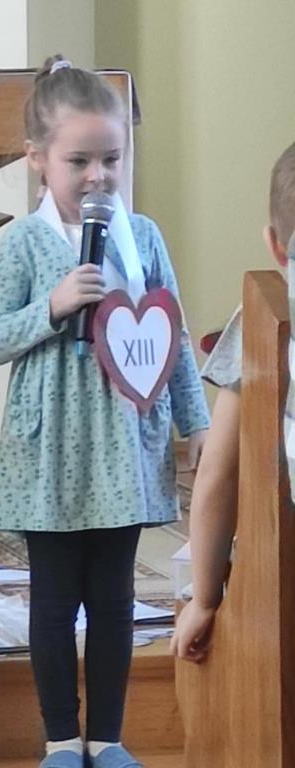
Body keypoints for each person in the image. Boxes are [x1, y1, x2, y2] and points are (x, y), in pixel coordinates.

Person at [0, 56, 209, 768]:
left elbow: (172, 338)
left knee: (113, 600)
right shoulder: (24, 242)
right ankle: (59, 739)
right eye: (78, 161)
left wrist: (196, 422)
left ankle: (107, 737)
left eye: (112, 158)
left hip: (122, 445)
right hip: (50, 449)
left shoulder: (144, 235)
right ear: (37, 161)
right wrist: (52, 307)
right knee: (54, 602)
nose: (98, 176)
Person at [171, 141, 295, 664]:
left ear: (274, 245)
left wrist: (204, 598)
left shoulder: (263, 322)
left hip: (279, 570)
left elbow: (218, 473)